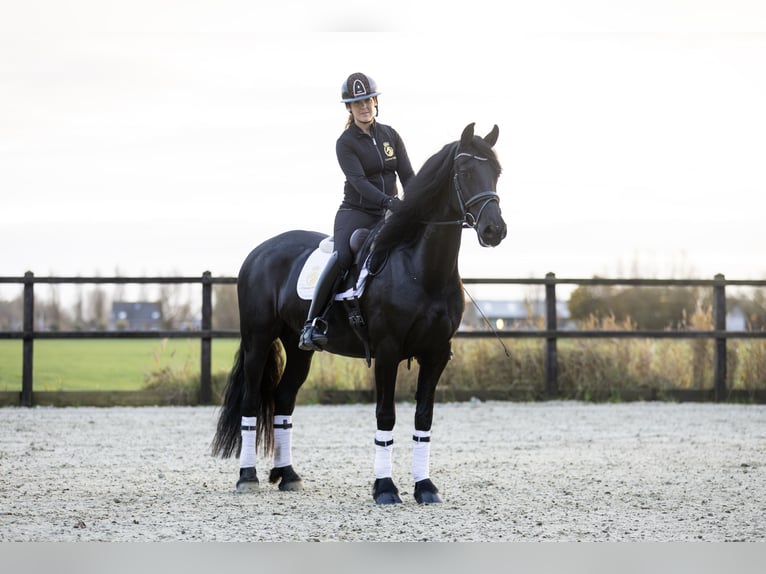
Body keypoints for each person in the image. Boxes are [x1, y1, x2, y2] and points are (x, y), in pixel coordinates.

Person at [299, 72, 416, 351]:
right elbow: (359, 183)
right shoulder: (345, 143)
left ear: (375, 101)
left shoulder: (391, 135)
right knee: (343, 255)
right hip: (356, 212)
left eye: (367, 100)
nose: (364, 106)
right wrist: (389, 202)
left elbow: (408, 176)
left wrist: (417, 202)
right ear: (349, 108)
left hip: (390, 213)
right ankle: (312, 323)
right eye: (357, 103)